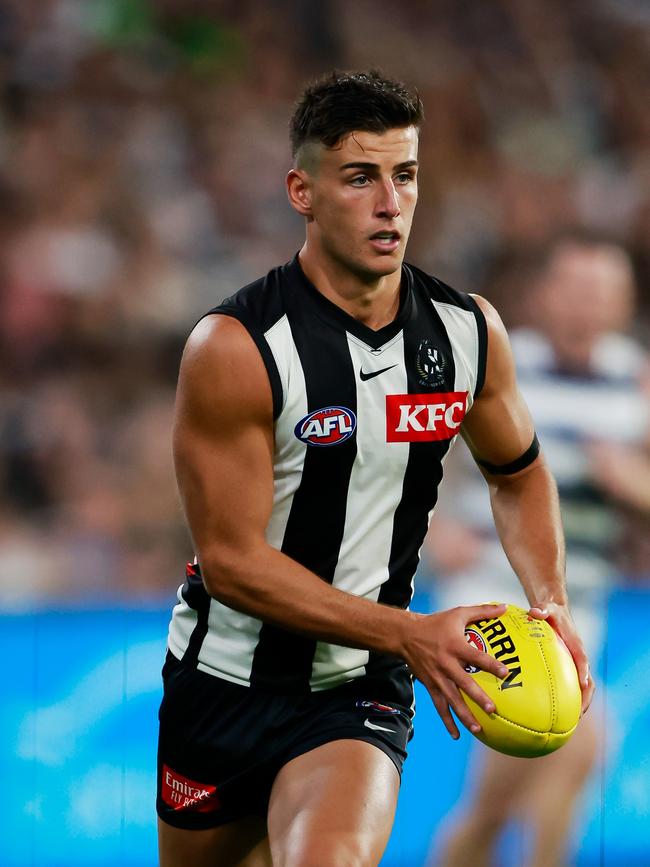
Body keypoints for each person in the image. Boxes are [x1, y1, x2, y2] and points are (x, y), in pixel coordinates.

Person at [156, 71, 593, 867]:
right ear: (303, 190)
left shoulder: (467, 332)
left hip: (358, 686)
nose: (391, 201)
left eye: (406, 175)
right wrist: (411, 630)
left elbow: (519, 472)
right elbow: (231, 563)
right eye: (361, 177)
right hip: (222, 682)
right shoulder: (235, 348)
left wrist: (550, 597)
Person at [425, 234, 648, 867]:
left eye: (602, 291)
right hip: (490, 589)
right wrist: (436, 528)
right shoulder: (499, 361)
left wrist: (628, 480)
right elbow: (415, 456)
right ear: (545, 293)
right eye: (576, 287)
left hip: (578, 602)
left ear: (624, 301)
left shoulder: (636, 381)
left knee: (514, 793)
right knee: (585, 741)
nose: (587, 303)